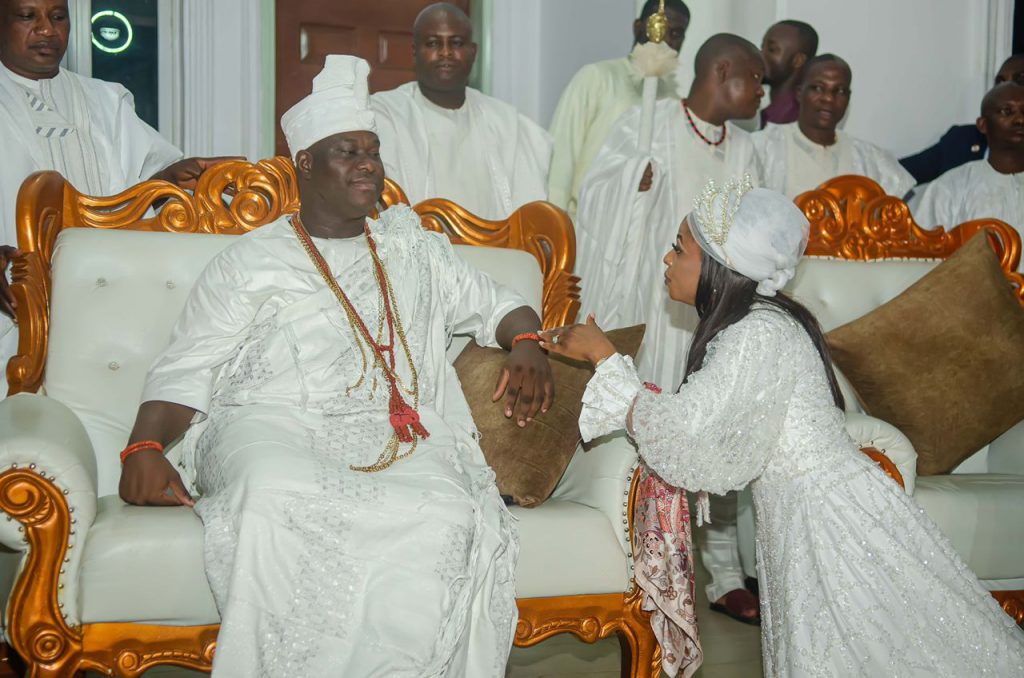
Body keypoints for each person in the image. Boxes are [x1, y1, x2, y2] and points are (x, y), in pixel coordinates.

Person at [117, 55, 555, 676]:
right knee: (272, 489)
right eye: (347, 152)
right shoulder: (249, 261)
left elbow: (499, 304)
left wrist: (528, 341)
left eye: (372, 151)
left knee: (450, 511)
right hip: (268, 423)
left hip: (390, 431)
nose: (368, 164)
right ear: (304, 163)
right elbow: (188, 366)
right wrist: (143, 447)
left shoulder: (412, 249)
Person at [542, 177, 1024, 676]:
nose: (667, 258)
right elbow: (705, 424)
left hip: (828, 521)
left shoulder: (756, 333)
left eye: (678, 248)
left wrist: (605, 357)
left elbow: (685, 434)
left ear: (720, 264)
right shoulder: (759, 323)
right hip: (805, 514)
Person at [575, 32, 764, 627]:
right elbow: (595, 198)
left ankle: (725, 574)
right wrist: (632, 185)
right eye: (756, 79)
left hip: (719, 316)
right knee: (652, 435)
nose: (763, 92)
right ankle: (645, 568)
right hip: (659, 306)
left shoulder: (746, 148)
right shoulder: (647, 123)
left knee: (721, 434)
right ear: (723, 71)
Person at [0, 0, 232, 396]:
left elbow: (136, 190)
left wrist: (168, 179)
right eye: (27, 16)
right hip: (13, 304)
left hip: (108, 303)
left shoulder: (105, 101)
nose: (47, 30)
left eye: (58, 17)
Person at [371, 2, 551, 219]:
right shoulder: (385, 115)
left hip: (497, 242)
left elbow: (531, 212)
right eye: (433, 43)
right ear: (415, 52)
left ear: (473, 52)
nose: (445, 52)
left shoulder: (507, 124)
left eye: (456, 43)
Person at [547, 0, 690, 218]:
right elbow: (561, 157)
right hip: (585, 220)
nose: (665, 39)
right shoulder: (598, 77)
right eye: (657, 27)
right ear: (638, 27)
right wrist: (552, 225)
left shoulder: (673, 99)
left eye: (676, 34)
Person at [752, 54, 915, 199]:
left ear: (848, 98)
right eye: (818, 88)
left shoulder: (872, 160)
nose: (829, 98)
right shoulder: (762, 148)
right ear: (800, 93)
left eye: (840, 91)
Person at [914, 81, 1024, 264]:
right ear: (982, 125)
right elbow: (921, 260)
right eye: (1007, 111)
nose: (1020, 120)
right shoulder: (950, 187)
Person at [900, 54, 1024, 185]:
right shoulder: (963, 141)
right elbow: (898, 176)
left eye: (1020, 81)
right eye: (1000, 82)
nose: (1006, 88)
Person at [759, 19, 818, 128]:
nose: (760, 55)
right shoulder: (770, 114)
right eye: (762, 47)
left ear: (798, 61)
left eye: (771, 49)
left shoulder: (796, 121)